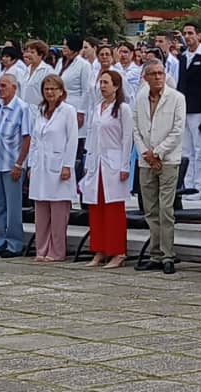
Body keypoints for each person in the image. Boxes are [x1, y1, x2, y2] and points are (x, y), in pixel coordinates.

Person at [133, 60, 186, 274]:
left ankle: (168, 254)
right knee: (151, 209)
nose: (157, 77)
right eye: (153, 74)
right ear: (145, 77)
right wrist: (146, 153)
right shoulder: (139, 99)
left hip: (168, 159)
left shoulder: (176, 98)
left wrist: (157, 152)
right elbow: (136, 128)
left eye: (160, 73)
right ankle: (155, 253)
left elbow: (177, 129)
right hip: (146, 160)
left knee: (166, 209)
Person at [81, 70, 134, 269]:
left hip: (114, 162)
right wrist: (88, 165)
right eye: (100, 82)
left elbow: (127, 138)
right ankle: (99, 250)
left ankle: (118, 252)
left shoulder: (123, 109)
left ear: (116, 86)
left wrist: (124, 165)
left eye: (106, 82)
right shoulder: (96, 108)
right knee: (96, 208)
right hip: (97, 163)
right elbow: (91, 137)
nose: (102, 86)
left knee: (113, 210)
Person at [28, 74, 79, 262]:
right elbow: (34, 140)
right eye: (46, 89)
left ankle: (57, 251)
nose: (49, 92)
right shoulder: (40, 110)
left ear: (61, 91)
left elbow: (72, 140)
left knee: (58, 213)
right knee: (41, 211)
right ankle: (41, 249)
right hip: (40, 166)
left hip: (58, 167)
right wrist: (31, 164)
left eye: (53, 89)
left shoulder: (68, 111)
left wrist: (67, 165)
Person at [0, 74, 32, 258]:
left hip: (12, 164)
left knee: (13, 207)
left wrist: (20, 164)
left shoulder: (22, 108)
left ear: (14, 87)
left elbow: (27, 137)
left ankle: (14, 243)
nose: (0, 89)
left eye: (4, 86)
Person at [177, 22, 201, 197]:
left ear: (198, 35)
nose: (187, 36)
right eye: (185, 33)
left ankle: (200, 187)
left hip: (199, 109)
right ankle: (188, 184)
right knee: (186, 150)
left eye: (191, 33)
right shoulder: (183, 57)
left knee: (200, 150)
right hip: (183, 108)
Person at [57, 34, 93, 138]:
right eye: (63, 45)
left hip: (75, 106)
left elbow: (86, 90)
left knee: (73, 137)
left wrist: (81, 112)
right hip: (59, 105)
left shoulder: (84, 65)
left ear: (74, 48)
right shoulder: (60, 62)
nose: (63, 48)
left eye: (66, 45)